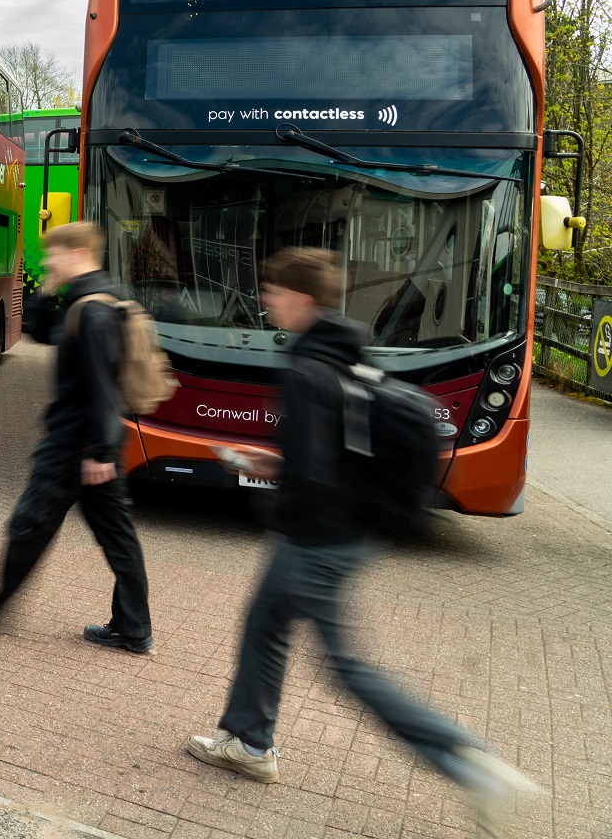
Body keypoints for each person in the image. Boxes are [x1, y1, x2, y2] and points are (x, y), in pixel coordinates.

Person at [186, 248, 536, 832]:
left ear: (300, 298)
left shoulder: (307, 370)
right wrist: (283, 463)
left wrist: (270, 477)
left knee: (347, 667)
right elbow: (338, 452)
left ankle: (467, 762)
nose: (266, 301)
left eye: (272, 291)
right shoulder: (343, 352)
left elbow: (313, 474)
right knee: (265, 623)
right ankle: (249, 741)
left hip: (317, 535)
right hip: (350, 527)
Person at [0, 220, 153, 653]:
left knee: (29, 524)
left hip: (77, 445)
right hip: (90, 444)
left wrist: (97, 451)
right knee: (118, 539)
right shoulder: (92, 299)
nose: (48, 260)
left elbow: (102, 388)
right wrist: (45, 287)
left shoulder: (93, 310)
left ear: (76, 253)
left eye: (53, 253)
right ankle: (133, 628)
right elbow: (41, 331)